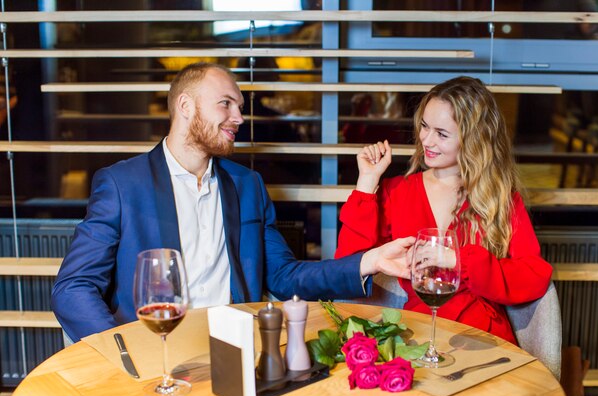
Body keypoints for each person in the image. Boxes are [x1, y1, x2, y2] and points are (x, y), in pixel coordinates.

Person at [52, 62, 415, 343]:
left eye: (239, 106)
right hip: (157, 346)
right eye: (226, 104)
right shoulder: (122, 184)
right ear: (186, 106)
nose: (239, 118)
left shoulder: (247, 185)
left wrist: (371, 261)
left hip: (236, 344)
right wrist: (124, 348)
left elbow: (284, 276)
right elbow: (73, 288)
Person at [335, 76, 553, 345]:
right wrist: (367, 183)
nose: (426, 140)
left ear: (474, 139)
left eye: (442, 133)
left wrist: (459, 261)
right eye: (424, 126)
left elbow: (534, 278)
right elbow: (347, 265)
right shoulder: (397, 192)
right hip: (419, 334)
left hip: (483, 338)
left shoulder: (500, 199)